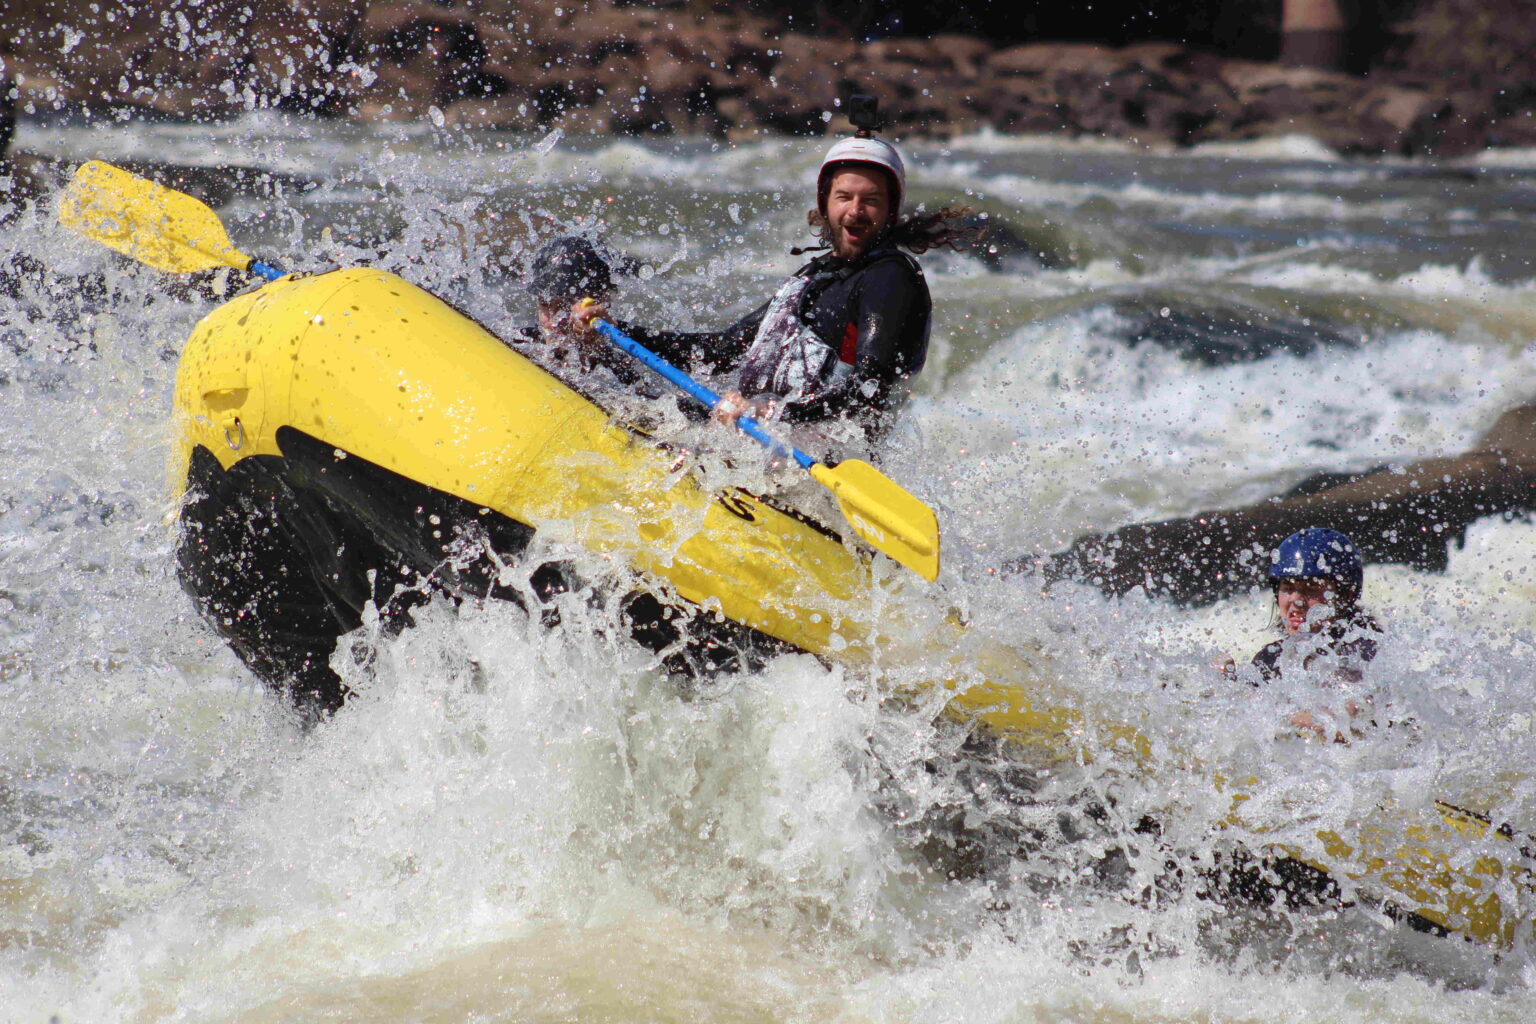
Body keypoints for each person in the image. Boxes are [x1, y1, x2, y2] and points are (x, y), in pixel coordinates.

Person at [565, 126, 975, 459]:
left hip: (822, 464)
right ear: (825, 203)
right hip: (766, 445)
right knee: (624, 394)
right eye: (844, 197)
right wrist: (617, 330)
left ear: (890, 210)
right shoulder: (816, 276)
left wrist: (774, 411)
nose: (855, 211)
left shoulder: (891, 278)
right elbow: (721, 348)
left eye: (871, 200)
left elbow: (870, 387)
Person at [1225, 528, 1384, 741]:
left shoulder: (1363, 650)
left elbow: (1342, 722)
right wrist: (1225, 682)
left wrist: (1263, 707)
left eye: (1310, 590)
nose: (1295, 602)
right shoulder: (1272, 657)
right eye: (1287, 589)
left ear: (1345, 595)